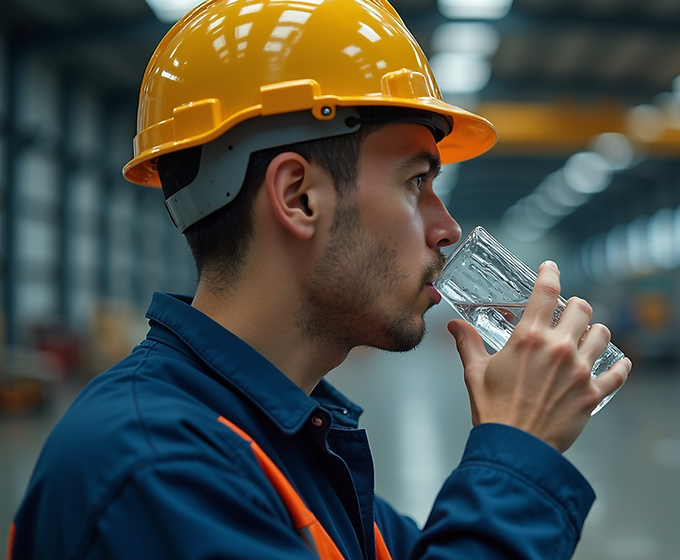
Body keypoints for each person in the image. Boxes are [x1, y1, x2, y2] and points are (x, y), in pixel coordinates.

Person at [6, 1, 630, 559]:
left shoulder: (287, 441)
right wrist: (516, 456)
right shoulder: (155, 468)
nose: (447, 229)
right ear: (299, 197)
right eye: (417, 182)